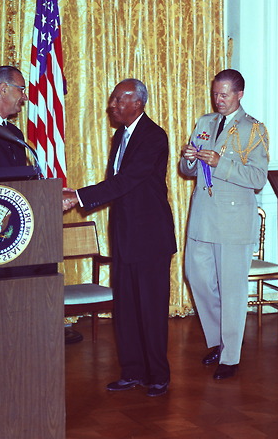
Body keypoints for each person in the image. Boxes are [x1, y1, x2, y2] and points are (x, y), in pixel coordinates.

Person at [63, 78, 177, 397]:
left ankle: (158, 375)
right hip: (125, 235)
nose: (111, 106)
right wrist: (81, 195)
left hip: (151, 237)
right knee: (126, 307)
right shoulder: (119, 136)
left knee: (151, 309)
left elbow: (127, 180)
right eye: (112, 100)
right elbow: (115, 184)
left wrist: (79, 196)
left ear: (137, 103)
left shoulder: (154, 137)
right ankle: (133, 371)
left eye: (117, 100)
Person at [180, 69, 269, 380]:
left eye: (225, 94)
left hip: (233, 221)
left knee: (232, 289)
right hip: (203, 218)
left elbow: (258, 179)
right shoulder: (205, 122)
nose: (218, 99)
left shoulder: (253, 129)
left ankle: (230, 357)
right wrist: (190, 158)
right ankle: (218, 340)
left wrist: (221, 163)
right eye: (216, 93)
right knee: (197, 277)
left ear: (240, 94)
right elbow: (188, 169)